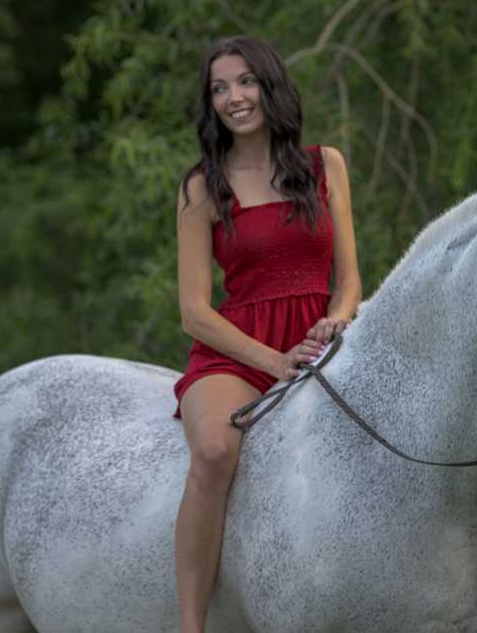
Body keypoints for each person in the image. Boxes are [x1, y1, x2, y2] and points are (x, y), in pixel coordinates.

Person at [172, 36, 362, 633]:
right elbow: (194, 312)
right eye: (219, 88)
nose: (234, 97)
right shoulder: (201, 188)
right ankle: (191, 626)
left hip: (319, 348)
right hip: (235, 355)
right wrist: (275, 361)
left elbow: (349, 281)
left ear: (270, 86)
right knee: (213, 451)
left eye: (246, 81)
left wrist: (337, 319)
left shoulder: (325, 165)